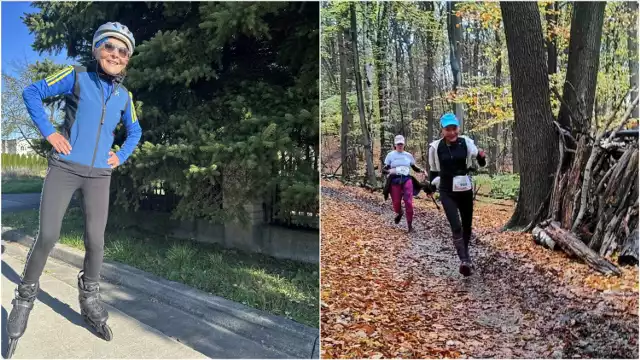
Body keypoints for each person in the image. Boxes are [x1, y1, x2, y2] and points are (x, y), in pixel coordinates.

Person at [6, 22, 141, 356]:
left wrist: (120, 155)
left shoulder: (125, 96)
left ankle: (90, 298)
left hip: (99, 175)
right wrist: (50, 133)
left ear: (127, 59)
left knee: (96, 240)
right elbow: (31, 92)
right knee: (49, 235)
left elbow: (135, 132)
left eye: (123, 51)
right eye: (110, 47)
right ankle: (25, 297)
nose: (116, 54)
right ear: (97, 49)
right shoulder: (77, 76)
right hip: (65, 169)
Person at [428, 113, 486, 277]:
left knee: (467, 225)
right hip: (447, 191)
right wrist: (431, 188)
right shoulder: (435, 147)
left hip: (465, 189)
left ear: (458, 129)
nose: (452, 133)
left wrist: (482, 157)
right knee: (456, 225)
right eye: (448, 129)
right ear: (443, 131)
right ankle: (464, 260)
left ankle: (465, 256)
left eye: (454, 129)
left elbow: (479, 159)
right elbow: (433, 170)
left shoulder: (466, 142)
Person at [382, 135, 425, 232]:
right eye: (398, 144)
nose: (400, 146)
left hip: (406, 179)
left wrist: (422, 171)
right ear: (395, 145)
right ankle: (399, 212)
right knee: (396, 202)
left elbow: (414, 167)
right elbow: (384, 169)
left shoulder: (408, 155)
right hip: (394, 180)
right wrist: (390, 171)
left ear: (404, 144)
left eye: (401, 144)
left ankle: (410, 226)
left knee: (408, 202)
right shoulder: (391, 155)